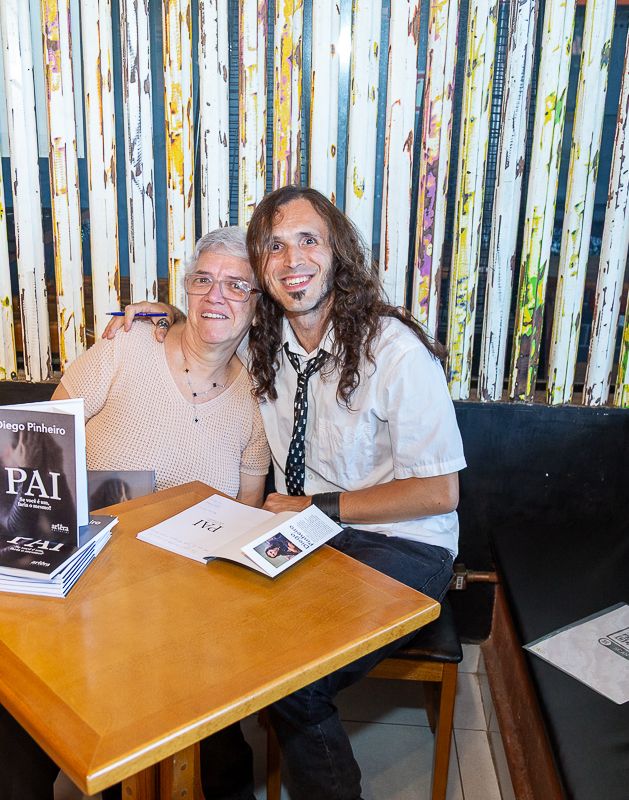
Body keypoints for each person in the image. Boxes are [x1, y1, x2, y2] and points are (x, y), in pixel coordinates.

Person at [110, 186, 465, 800]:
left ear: (338, 252)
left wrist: (318, 507)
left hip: (402, 545)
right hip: (311, 536)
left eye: (308, 240)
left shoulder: (395, 353)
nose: (292, 259)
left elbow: (440, 492)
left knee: (296, 682)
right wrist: (160, 311)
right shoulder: (265, 344)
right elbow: (213, 316)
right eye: (274, 246)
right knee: (208, 627)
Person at [0, 226, 268, 800]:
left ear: (257, 302)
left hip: (186, 603)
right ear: (185, 289)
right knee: (26, 709)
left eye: (236, 285)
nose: (216, 295)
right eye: (203, 280)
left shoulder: (256, 399)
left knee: (214, 743)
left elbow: (247, 511)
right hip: (89, 578)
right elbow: (40, 442)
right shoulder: (126, 349)